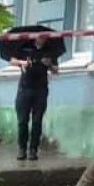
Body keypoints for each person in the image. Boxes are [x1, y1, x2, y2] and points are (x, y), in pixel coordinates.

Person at [10, 33, 58, 161]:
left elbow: (56, 70)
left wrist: (49, 65)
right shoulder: (25, 47)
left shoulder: (49, 51)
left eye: (45, 38)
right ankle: (22, 149)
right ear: (35, 37)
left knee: (37, 121)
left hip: (40, 90)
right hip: (24, 89)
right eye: (41, 37)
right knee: (22, 120)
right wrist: (23, 62)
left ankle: (33, 150)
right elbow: (12, 60)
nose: (43, 39)